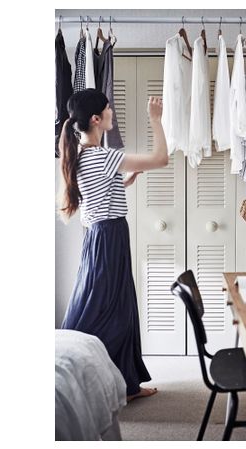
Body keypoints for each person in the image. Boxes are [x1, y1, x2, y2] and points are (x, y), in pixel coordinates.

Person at [58, 88, 168, 401]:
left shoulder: (81, 155)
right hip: (109, 236)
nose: (111, 114)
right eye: (108, 109)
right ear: (96, 119)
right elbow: (161, 159)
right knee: (110, 310)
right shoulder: (103, 156)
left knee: (108, 305)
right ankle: (87, 380)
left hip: (99, 236)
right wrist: (155, 120)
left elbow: (97, 195)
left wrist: (124, 181)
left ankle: (125, 384)